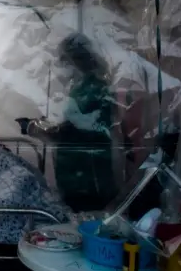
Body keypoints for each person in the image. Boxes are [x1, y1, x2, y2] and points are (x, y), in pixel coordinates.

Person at [19, 33, 117, 212]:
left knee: (89, 215)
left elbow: (82, 130)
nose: (62, 66)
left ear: (75, 60)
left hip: (86, 173)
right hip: (79, 171)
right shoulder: (83, 87)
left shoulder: (92, 88)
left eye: (64, 60)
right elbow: (76, 124)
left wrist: (38, 129)